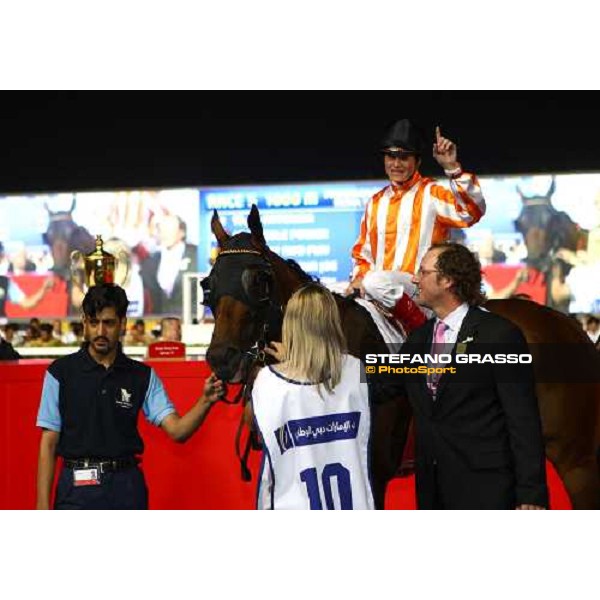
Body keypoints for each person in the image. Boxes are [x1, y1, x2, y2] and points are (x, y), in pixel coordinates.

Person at [35, 284, 224, 510]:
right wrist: (42, 507)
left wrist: (206, 401)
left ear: (123, 324)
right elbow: (48, 444)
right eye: (94, 323)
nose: (100, 332)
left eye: (109, 323)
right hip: (75, 491)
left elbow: (178, 430)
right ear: (84, 323)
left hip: (126, 489)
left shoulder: (142, 375)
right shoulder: (59, 373)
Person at [396, 242, 548, 509]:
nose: (414, 278)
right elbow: (384, 385)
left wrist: (531, 493)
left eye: (422, 271)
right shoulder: (418, 340)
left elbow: (523, 419)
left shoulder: (499, 335)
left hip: (487, 489)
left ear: (447, 280)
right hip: (432, 491)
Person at [347, 119, 486, 333]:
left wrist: (452, 168)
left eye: (404, 157)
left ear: (417, 161)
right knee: (331, 294)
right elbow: (362, 253)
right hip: (381, 292)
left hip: (420, 287)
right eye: (391, 156)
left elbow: (470, 212)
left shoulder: (430, 193)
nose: (396, 164)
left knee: (375, 281)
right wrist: (357, 280)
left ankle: (422, 331)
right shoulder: (375, 202)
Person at [251, 283, 374, 510]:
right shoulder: (357, 370)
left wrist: (290, 362)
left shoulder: (268, 382)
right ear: (332, 322)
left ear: (290, 325)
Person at [140, 214, 198, 314]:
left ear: (182, 232)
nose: (164, 234)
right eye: (162, 230)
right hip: (160, 321)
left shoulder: (197, 255)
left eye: (169, 229)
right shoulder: (150, 261)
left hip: (190, 321)